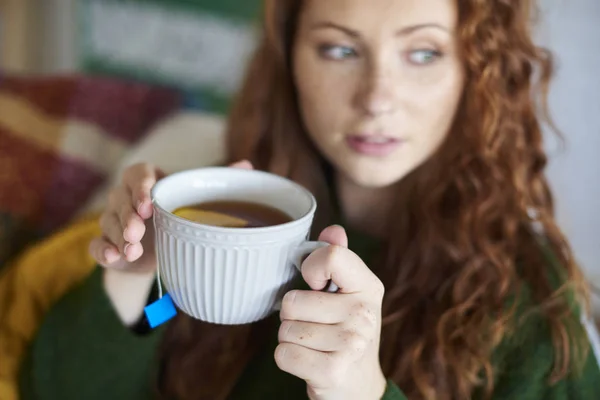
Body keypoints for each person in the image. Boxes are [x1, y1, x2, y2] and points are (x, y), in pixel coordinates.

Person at [16, 0, 600, 399]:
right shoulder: (241, 228)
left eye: (422, 53)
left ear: (475, 71)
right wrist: (141, 279)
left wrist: (365, 391)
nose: (376, 97)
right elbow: (82, 374)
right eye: (339, 50)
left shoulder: (523, 303)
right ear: (290, 60)